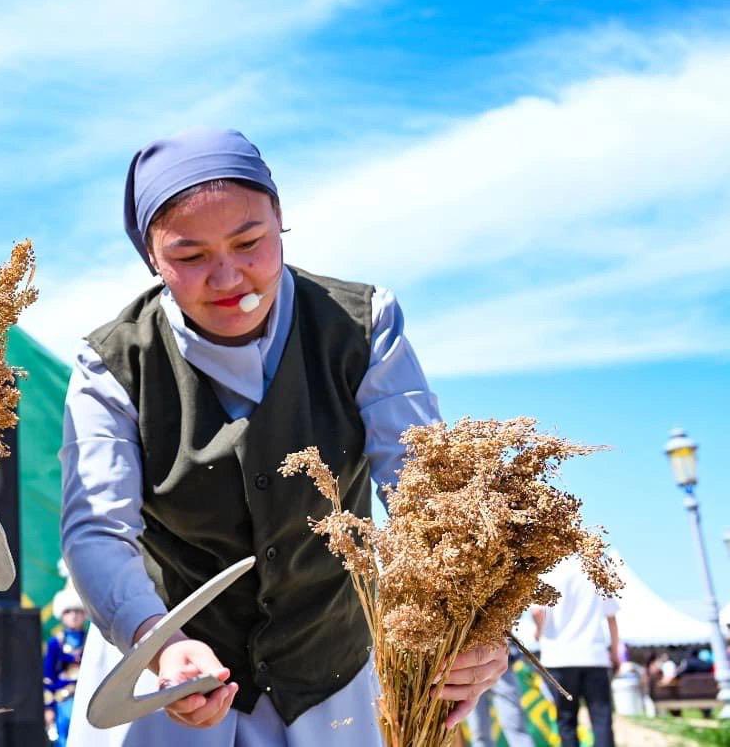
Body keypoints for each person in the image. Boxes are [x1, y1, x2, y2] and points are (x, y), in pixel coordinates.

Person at [60, 128, 508, 746]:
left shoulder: (363, 326)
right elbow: (97, 530)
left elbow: (425, 491)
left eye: (250, 243)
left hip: (331, 674)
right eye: (190, 257)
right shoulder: (113, 365)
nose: (227, 277)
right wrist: (157, 642)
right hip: (168, 676)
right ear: (152, 259)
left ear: (281, 223)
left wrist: (473, 626)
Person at [533, 556, 620, 747]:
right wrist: (615, 652)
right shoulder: (594, 566)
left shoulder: (548, 568)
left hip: (559, 657)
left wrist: (539, 632)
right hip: (593, 655)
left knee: (566, 721)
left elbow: (537, 612)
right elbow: (611, 617)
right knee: (601, 719)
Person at [466, 612, 536, 747]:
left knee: (514, 723)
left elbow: (514, 611)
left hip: (501, 665)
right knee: (479, 730)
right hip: (468, 668)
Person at [44, 584, 88, 742]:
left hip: (88, 701)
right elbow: (48, 677)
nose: (74, 616)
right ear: (61, 615)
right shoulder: (55, 643)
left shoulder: (91, 642)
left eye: (78, 611)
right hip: (63, 703)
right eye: (68, 611)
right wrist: (48, 708)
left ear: (85, 613)